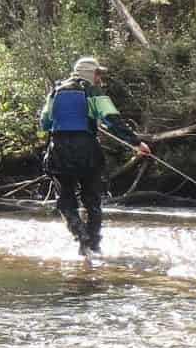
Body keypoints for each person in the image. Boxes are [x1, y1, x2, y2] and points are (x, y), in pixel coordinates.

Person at [37, 56, 151, 257]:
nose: (100, 77)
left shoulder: (55, 91)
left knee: (65, 201)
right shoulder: (91, 91)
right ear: (89, 73)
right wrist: (136, 143)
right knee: (92, 200)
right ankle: (94, 245)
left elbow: (45, 123)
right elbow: (112, 120)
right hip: (87, 150)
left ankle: (81, 236)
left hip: (59, 150)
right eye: (98, 73)